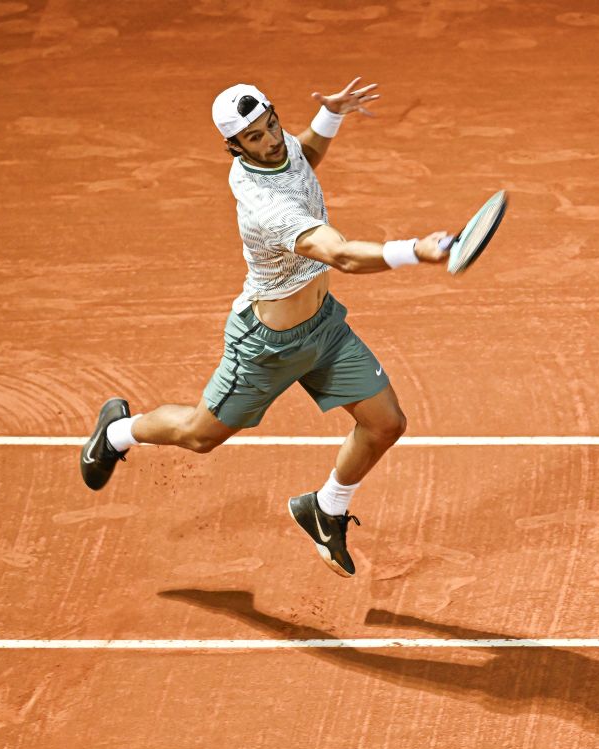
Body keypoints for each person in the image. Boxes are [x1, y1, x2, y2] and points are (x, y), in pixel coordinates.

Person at [80, 78, 450, 578]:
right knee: (199, 435)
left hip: (324, 328)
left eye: (272, 125)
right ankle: (117, 432)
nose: (272, 140)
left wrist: (330, 115)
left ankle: (326, 508)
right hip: (267, 346)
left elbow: (302, 160)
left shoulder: (278, 147)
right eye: (255, 137)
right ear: (233, 146)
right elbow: (341, 255)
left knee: (386, 424)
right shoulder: (265, 207)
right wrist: (415, 251)